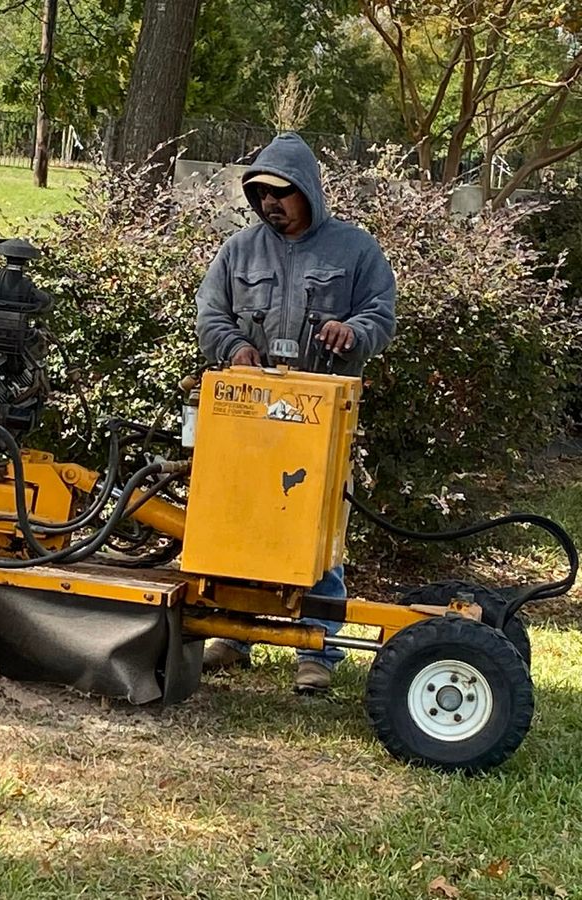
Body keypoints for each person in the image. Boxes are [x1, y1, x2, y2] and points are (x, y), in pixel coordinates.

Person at [194, 132, 396, 693]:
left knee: (318, 530)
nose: (268, 204)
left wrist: (351, 331)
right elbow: (210, 314)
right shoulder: (238, 252)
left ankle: (318, 650)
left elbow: (380, 315)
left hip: (323, 421)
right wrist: (235, 348)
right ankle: (234, 635)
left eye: (280, 193)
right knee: (246, 520)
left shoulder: (356, 251)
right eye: (259, 194)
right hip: (251, 419)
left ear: (309, 191)